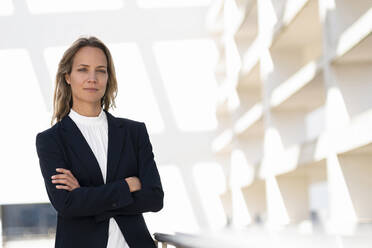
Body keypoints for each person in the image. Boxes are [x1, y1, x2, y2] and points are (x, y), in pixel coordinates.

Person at [35, 36, 164, 248]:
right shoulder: (51, 140)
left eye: (101, 70)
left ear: (108, 77)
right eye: (83, 69)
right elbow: (66, 204)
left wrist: (85, 196)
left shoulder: (134, 132)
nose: (92, 78)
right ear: (67, 76)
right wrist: (126, 186)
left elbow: (154, 198)